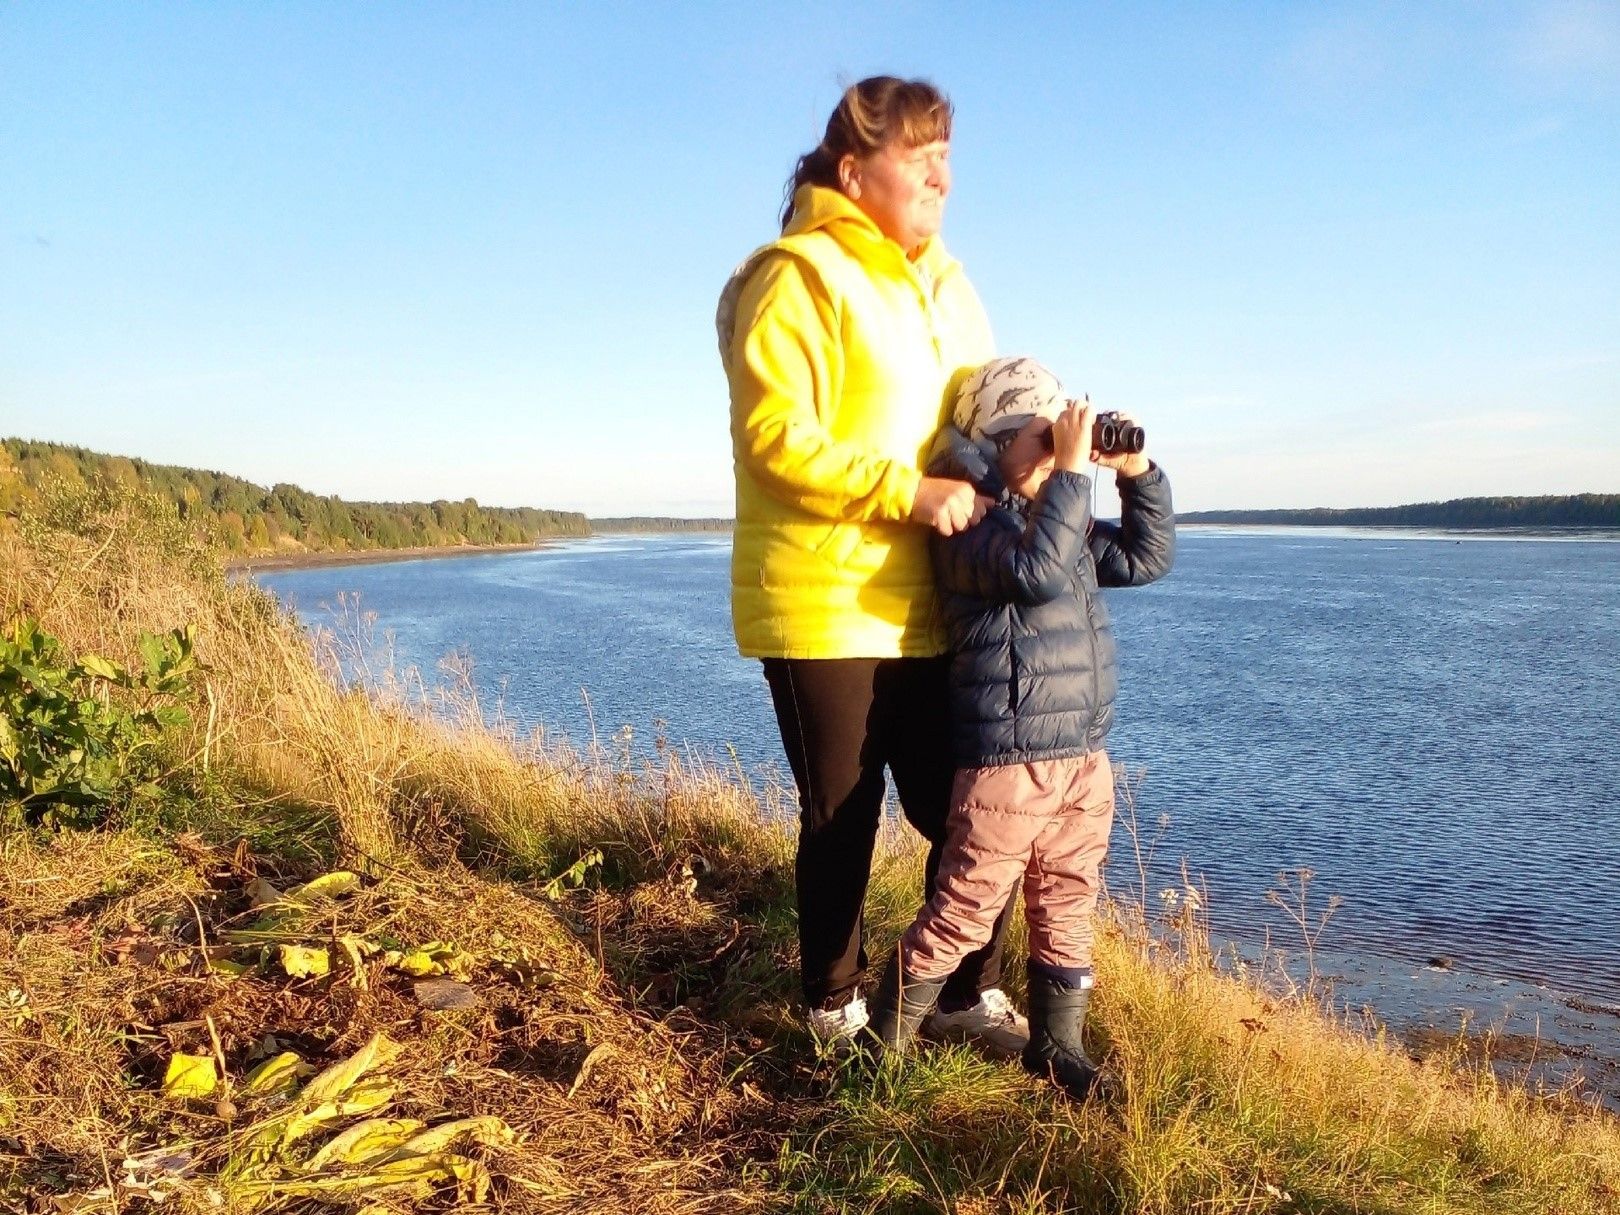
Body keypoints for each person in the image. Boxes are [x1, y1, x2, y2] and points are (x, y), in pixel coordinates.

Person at [715, 77, 1028, 1053]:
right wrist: (910, 492)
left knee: (976, 812)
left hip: (938, 601)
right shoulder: (796, 275)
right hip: (825, 597)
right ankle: (834, 1008)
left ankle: (956, 992)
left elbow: (977, 419)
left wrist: (1032, 455)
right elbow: (775, 436)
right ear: (854, 170)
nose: (942, 172)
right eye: (919, 152)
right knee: (842, 816)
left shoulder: (951, 284)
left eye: (949, 154)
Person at [863, 356, 1176, 1099]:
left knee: (1068, 898)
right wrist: (1069, 476)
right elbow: (1034, 574)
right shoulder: (969, 522)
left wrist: (1135, 470)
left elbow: (1147, 556)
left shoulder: (1056, 519)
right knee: (967, 905)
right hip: (1009, 755)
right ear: (1000, 441)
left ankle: (1055, 1044)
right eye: (1041, 436)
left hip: (1081, 755)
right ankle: (879, 1052)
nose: (1055, 451)